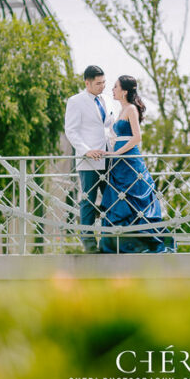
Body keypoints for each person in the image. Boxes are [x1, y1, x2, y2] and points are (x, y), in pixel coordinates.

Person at [99, 75, 175, 254]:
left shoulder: (131, 109)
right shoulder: (121, 110)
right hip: (118, 160)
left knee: (135, 196)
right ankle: (122, 243)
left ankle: (145, 242)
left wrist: (117, 152)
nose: (112, 90)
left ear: (124, 91)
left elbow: (137, 137)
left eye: (115, 87)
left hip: (129, 158)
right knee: (119, 199)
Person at [64, 65, 115, 253]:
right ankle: (89, 243)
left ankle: (108, 242)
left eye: (104, 82)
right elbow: (71, 130)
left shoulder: (108, 100)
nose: (102, 86)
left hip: (109, 157)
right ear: (87, 83)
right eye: (98, 83)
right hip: (88, 160)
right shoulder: (76, 101)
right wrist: (86, 151)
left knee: (112, 199)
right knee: (88, 200)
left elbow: (110, 127)